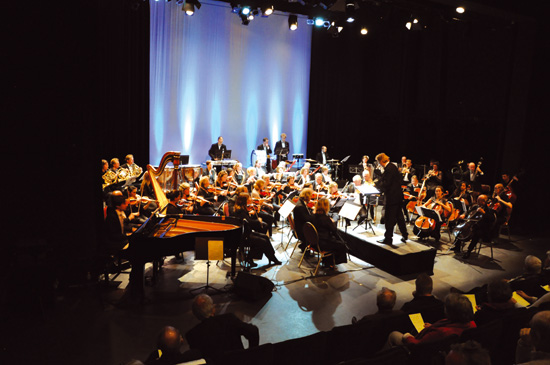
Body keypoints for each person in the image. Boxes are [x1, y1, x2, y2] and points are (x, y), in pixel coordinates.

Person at [386, 293, 476, 348]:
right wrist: (432, 326)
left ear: (451, 313)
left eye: (446, 308)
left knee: (394, 334)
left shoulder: (441, 332)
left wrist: (407, 336)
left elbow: (417, 345)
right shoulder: (472, 324)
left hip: (416, 347)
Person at [186, 294, 259, 361]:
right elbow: (253, 331)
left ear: (195, 313)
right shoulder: (229, 319)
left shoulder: (192, 335)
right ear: (213, 309)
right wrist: (251, 354)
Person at [231, 193, 281, 266]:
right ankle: (250, 258)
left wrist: (253, 215)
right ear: (244, 201)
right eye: (249, 199)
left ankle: (271, 257)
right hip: (243, 236)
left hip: (246, 233)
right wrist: (258, 220)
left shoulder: (242, 209)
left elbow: (249, 221)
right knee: (262, 241)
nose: (251, 200)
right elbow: (250, 223)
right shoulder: (240, 211)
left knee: (265, 237)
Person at [375, 153, 408, 245]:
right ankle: (405, 234)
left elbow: (387, 183)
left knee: (389, 218)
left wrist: (377, 187)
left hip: (392, 197)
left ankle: (388, 239)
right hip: (397, 197)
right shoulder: (391, 166)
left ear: (381, 160)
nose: (379, 164)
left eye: (378, 162)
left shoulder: (389, 168)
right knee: (399, 217)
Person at [454, 194, 497, 259]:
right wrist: (464, 215)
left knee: (476, 234)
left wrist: (484, 213)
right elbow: (468, 212)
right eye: (477, 200)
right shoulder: (475, 207)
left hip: (483, 229)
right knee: (460, 225)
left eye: (479, 200)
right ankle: (457, 247)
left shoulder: (489, 210)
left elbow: (492, 219)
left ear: (484, 202)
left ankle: (468, 251)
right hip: (473, 225)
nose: (477, 202)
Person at [310, 197, 348, 266]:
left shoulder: (313, 216)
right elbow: (334, 230)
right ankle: (331, 263)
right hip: (321, 244)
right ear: (326, 207)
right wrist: (332, 222)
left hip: (313, 242)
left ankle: (327, 261)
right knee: (341, 245)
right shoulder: (325, 219)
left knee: (335, 241)